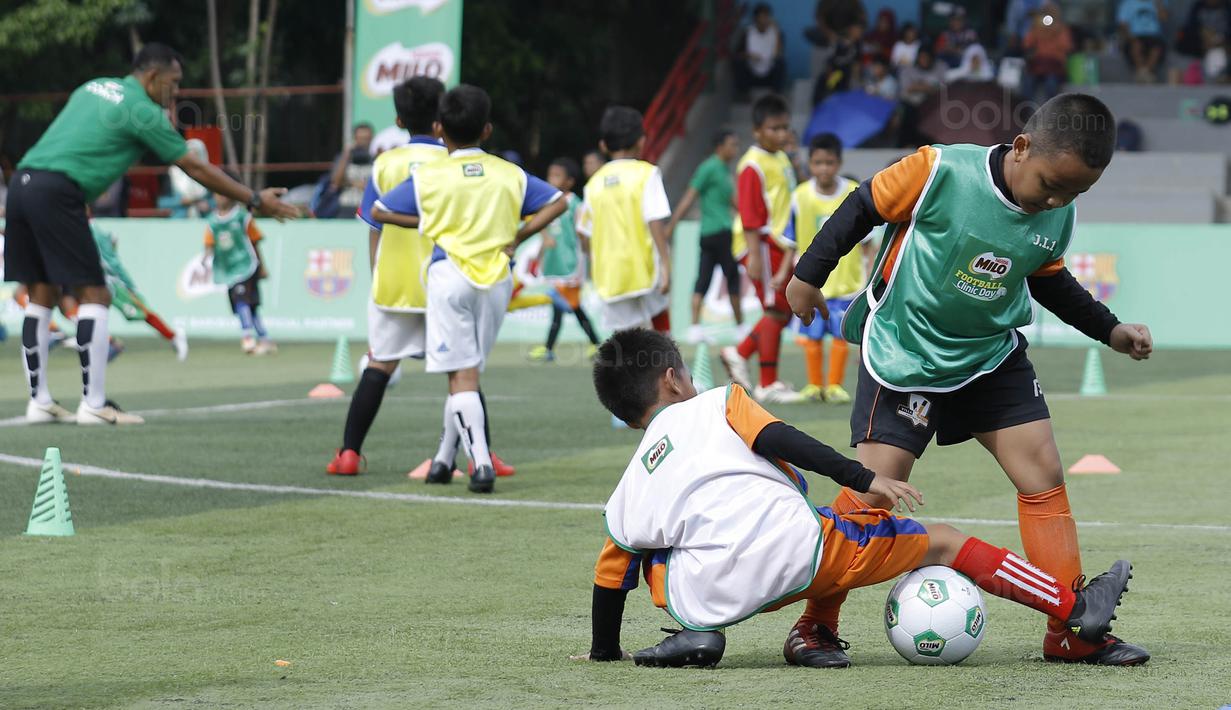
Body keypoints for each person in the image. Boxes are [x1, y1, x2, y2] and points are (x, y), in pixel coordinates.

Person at [784, 93, 1152, 666]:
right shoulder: (938, 169)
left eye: (1074, 193)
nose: (1056, 201)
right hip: (906, 353)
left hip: (988, 355)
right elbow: (861, 207)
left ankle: (1071, 629)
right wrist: (809, 274)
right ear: (1022, 148)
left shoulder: (1058, 209)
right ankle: (814, 626)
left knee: (1044, 471)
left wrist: (1110, 330)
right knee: (873, 490)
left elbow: (1048, 280)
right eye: (1051, 184)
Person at [576, 328, 1135, 667]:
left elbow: (610, 573)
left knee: (644, 551)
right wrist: (864, 478)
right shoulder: (718, 402)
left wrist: (605, 651)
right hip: (801, 558)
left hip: (705, 598)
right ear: (675, 379)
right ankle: (1073, 609)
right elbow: (779, 439)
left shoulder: (630, 481)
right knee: (939, 542)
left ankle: (703, 634)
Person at [5, 42, 298, 426]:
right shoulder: (143, 110)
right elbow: (195, 167)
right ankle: (94, 404)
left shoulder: (93, 86)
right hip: (59, 192)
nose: (176, 93)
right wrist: (255, 199)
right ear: (153, 77)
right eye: (174, 83)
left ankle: (39, 401)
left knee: (40, 292)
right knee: (96, 293)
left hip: (22, 185)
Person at [372, 84, 566, 494]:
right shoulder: (509, 173)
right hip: (496, 278)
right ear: (488, 129)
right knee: (468, 372)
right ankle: (443, 459)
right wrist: (521, 233)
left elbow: (379, 210)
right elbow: (559, 202)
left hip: (450, 275)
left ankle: (480, 465)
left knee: (460, 376)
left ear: (439, 128)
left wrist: (429, 225)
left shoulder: (429, 175)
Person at [327, 76, 448, 476]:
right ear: (442, 119)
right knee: (461, 372)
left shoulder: (386, 162)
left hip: (392, 281)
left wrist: (376, 273)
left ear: (398, 119)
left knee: (379, 365)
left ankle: (348, 453)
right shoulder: (453, 161)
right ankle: (478, 456)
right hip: (445, 279)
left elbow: (373, 227)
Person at [719, 94, 804, 404]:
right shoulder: (751, 165)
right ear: (757, 131)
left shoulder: (782, 158)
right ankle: (766, 381)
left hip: (779, 244)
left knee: (781, 312)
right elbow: (751, 214)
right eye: (774, 128)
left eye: (785, 127)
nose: (782, 134)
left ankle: (740, 355)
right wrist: (755, 255)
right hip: (763, 245)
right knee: (775, 309)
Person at [783, 134, 868, 404]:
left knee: (841, 333)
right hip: (812, 282)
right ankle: (813, 384)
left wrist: (871, 270)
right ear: (810, 163)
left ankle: (834, 385)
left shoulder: (853, 192)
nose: (824, 169)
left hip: (847, 281)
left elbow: (867, 242)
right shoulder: (799, 196)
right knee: (812, 333)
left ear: (839, 163)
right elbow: (790, 239)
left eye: (829, 163)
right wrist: (781, 273)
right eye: (818, 163)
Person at [575, 106, 673, 334]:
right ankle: (667, 368)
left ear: (603, 145)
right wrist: (666, 266)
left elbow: (583, 232)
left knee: (625, 341)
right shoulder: (647, 174)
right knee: (660, 327)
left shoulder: (593, 184)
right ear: (641, 140)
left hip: (610, 273)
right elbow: (655, 221)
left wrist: (593, 260)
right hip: (645, 266)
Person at [665, 131, 742, 345]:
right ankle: (740, 327)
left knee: (704, 278)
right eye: (732, 144)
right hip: (719, 232)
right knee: (731, 277)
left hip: (712, 233)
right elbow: (690, 196)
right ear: (720, 146)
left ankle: (695, 327)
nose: (735, 149)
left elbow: (733, 202)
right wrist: (672, 224)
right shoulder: (709, 167)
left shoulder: (724, 170)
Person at [528, 157, 602, 363]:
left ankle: (591, 345)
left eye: (557, 175)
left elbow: (582, 232)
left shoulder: (575, 204)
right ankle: (592, 344)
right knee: (564, 306)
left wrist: (588, 257)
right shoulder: (548, 203)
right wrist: (542, 248)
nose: (552, 179)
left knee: (569, 306)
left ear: (569, 181)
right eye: (550, 175)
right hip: (555, 264)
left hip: (570, 264)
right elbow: (539, 223)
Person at [88, 217, 187, 361]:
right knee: (90, 312)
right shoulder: (81, 227)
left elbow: (111, 250)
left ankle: (173, 336)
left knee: (140, 312)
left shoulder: (92, 229)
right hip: (93, 280)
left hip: (112, 281)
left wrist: (123, 279)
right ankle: (108, 343)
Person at [204, 178, 275, 355]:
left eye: (223, 192)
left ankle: (248, 337)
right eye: (216, 192)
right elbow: (209, 246)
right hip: (229, 270)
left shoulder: (243, 217)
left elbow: (255, 242)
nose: (219, 196)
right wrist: (206, 263)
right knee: (246, 305)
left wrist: (262, 266)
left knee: (244, 301)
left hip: (247, 266)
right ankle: (265, 338)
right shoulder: (212, 222)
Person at [1021, 4, 1074, 103]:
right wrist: (1035, 26)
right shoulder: (1037, 27)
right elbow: (1027, 43)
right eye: (1046, 13)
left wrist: (1053, 31)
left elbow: (1066, 47)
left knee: (1051, 85)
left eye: (1051, 14)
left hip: (1054, 66)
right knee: (1027, 83)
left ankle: (1050, 113)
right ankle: (1025, 113)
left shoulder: (1062, 29)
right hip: (1038, 65)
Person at [733, 3, 786, 98]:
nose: (764, 20)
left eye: (766, 17)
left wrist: (776, 31)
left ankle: (776, 95)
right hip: (752, 73)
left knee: (781, 63)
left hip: (769, 73)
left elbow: (778, 54)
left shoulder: (776, 33)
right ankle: (743, 94)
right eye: (761, 17)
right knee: (738, 63)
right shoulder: (748, 32)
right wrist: (749, 55)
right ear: (755, 19)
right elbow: (738, 54)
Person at [1117, 0, 1168, 83]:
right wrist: (1130, 37)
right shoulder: (1128, 3)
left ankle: (1142, 74)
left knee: (1157, 49)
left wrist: (1159, 5)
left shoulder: (1158, 2)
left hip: (1154, 35)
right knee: (1135, 46)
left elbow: (1164, 19)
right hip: (1135, 35)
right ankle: (1146, 75)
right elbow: (1123, 24)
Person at [330, 122, 375, 215]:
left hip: (369, 206)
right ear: (355, 139)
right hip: (347, 205)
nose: (364, 142)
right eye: (361, 139)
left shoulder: (375, 157)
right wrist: (346, 155)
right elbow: (336, 182)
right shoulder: (344, 157)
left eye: (366, 139)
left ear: (372, 138)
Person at [166, 138, 212, 217]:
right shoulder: (173, 173)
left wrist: (208, 206)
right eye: (190, 155)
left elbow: (217, 202)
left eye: (196, 155)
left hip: (203, 219)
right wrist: (180, 202)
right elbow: (162, 203)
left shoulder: (209, 175)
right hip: (179, 219)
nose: (193, 160)